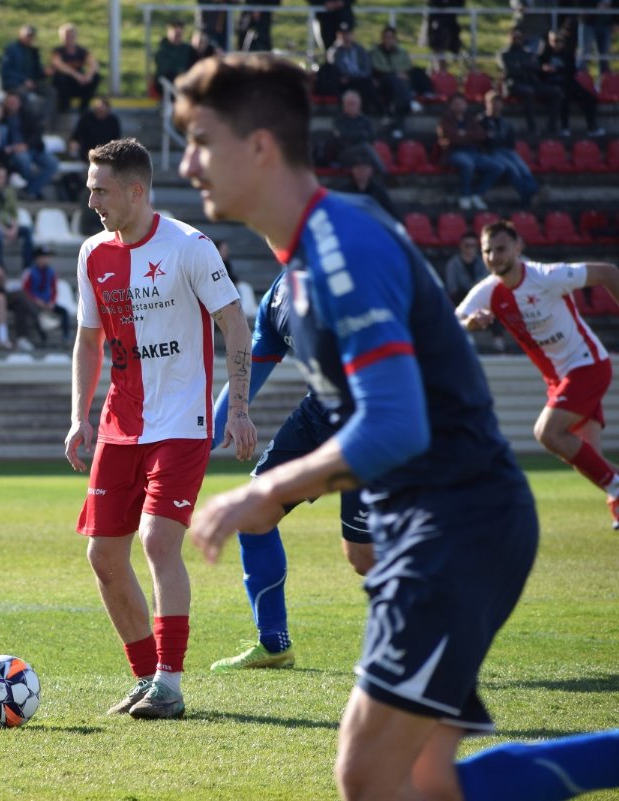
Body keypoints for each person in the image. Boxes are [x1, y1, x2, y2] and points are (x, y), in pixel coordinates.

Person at [176, 51, 619, 801]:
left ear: (259, 146)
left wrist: (265, 490)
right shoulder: (311, 255)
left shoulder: (341, 251)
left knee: (371, 778)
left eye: (200, 141)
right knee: (417, 783)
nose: (187, 164)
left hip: (455, 522)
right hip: (437, 522)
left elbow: (396, 425)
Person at [64, 137, 255, 721]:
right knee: (103, 555)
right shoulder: (92, 253)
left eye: (101, 190)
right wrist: (79, 415)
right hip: (120, 424)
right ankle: (146, 677)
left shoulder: (189, 247)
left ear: (136, 190)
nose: (92, 201)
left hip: (180, 422)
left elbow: (234, 323)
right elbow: (89, 340)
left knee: (156, 541)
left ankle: (170, 683)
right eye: (90, 189)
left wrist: (238, 408)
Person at [208, 267, 375, 672]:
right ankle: (273, 644)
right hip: (319, 415)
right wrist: (206, 435)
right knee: (253, 514)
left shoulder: (352, 276)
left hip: (372, 422)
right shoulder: (278, 295)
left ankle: (439, 631)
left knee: (363, 557)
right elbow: (256, 362)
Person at [458, 220, 619, 528]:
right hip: (560, 379)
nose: (493, 257)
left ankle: (617, 489)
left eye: (501, 249)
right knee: (588, 459)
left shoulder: (546, 276)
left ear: (518, 248)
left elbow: (608, 272)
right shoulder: (488, 291)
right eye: (487, 251)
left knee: (547, 433)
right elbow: (453, 320)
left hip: (588, 365)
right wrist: (470, 323)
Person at [437, 92, 504, 211]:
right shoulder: (445, 121)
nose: (459, 106)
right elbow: (452, 138)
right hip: (454, 152)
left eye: (461, 103)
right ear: (451, 105)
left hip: (474, 152)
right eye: (456, 104)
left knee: (497, 167)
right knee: (467, 164)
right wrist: (470, 136)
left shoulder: (471, 119)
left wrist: (464, 134)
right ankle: (465, 195)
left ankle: (477, 194)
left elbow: (482, 135)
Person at [538, 29, 605, 136]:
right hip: (553, 84)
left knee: (589, 98)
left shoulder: (567, 54)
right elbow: (539, 74)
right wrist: (544, 69)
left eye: (561, 41)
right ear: (550, 41)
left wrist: (557, 70)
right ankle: (564, 127)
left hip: (568, 83)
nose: (558, 44)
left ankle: (592, 126)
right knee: (563, 97)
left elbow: (571, 71)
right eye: (555, 41)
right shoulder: (543, 56)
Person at [480, 89, 540, 207]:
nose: (496, 106)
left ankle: (534, 192)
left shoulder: (505, 123)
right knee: (513, 169)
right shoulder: (482, 121)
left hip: (507, 150)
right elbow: (485, 141)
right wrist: (493, 139)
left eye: (498, 103)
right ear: (487, 104)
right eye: (493, 103)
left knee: (523, 168)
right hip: (491, 152)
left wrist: (495, 138)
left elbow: (509, 141)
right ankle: (528, 196)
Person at [499, 25, 562, 135]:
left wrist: (523, 66)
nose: (517, 40)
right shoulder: (504, 54)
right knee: (529, 92)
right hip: (514, 84)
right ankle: (532, 128)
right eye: (515, 37)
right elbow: (511, 71)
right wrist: (527, 67)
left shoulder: (528, 53)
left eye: (519, 37)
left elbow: (536, 68)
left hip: (530, 82)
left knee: (556, 92)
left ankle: (552, 127)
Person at [2, 92, 59, 201]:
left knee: (52, 163)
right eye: (9, 102)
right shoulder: (2, 117)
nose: (12, 104)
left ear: (19, 103)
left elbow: (37, 133)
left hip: (33, 148)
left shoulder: (28, 114)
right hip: (13, 150)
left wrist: (26, 145)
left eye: (14, 102)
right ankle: (32, 190)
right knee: (24, 160)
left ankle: (30, 190)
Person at [369, 26, 415, 139]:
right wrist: (395, 73)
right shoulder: (375, 52)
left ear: (395, 39)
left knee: (399, 88)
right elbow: (378, 68)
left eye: (391, 37)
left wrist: (398, 74)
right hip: (382, 82)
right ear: (382, 38)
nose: (388, 40)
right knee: (395, 80)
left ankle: (396, 125)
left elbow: (407, 67)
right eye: (386, 37)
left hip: (399, 85)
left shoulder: (402, 52)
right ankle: (410, 102)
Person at [0, 24, 55, 117]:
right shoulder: (11, 49)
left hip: (32, 84)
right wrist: (24, 80)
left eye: (31, 36)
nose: (29, 38)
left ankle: (44, 121)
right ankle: (27, 122)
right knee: (24, 97)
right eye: (27, 36)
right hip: (14, 84)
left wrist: (45, 73)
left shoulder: (33, 52)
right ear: (20, 35)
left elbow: (37, 72)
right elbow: (6, 71)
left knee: (51, 92)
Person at [327, 23, 380, 117]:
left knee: (367, 83)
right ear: (338, 35)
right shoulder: (334, 51)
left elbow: (366, 67)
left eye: (348, 34)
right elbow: (336, 67)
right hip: (345, 81)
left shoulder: (360, 49)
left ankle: (376, 112)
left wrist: (360, 76)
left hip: (361, 78)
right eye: (343, 34)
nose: (346, 37)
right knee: (363, 84)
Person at [22, 245, 70, 345]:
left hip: (47, 303)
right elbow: (26, 290)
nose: (46, 259)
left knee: (64, 312)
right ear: (37, 259)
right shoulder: (30, 272)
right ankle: (43, 339)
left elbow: (54, 289)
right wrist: (36, 301)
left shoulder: (51, 272)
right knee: (35, 314)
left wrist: (52, 302)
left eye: (47, 257)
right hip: (35, 303)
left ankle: (66, 338)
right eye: (43, 257)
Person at [50, 23, 100, 115]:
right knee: (60, 78)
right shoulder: (58, 51)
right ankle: (65, 106)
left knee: (96, 77)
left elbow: (94, 64)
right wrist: (76, 75)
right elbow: (59, 65)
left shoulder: (81, 51)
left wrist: (88, 76)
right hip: (65, 86)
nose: (69, 38)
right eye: (66, 36)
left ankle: (84, 106)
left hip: (79, 83)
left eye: (71, 36)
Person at [330, 89, 385, 172]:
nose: (352, 106)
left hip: (363, 153)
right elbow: (342, 138)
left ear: (359, 105)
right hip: (345, 153)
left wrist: (356, 136)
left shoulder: (365, 120)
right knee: (365, 147)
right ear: (344, 105)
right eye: (349, 104)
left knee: (364, 160)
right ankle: (385, 173)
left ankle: (375, 177)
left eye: (354, 104)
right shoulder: (339, 120)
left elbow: (372, 137)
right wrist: (362, 135)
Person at [340, 150, 400, 221]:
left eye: (364, 168)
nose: (361, 171)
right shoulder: (344, 191)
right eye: (358, 168)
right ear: (352, 170)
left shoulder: (379, 192)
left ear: (371, 171)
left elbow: (392, 213)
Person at [68, 97, 122, 163]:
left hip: (107, 156)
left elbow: (116, 139)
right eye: (99, 110)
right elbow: (76, 136)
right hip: (87, 155)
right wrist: (74, 144)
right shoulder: (86, 119)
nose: (100, 112)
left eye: (103, 111)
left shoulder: (113, 121)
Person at [442, 230, 488, 306]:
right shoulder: (453, 264)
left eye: (473, 246)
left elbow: (486, 283)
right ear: (461, 246)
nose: (470, 249)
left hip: (481, 301)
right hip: (460, 302)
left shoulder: (483, 262)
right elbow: (452, 289)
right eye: (467, 246)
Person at [155, 20, 195, 89]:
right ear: (168, 33)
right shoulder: (162, 50)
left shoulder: (187, 49)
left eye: (179, 35)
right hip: (166, 82)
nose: (176, 37)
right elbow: (164, 70)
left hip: (185, 81)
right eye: (175, 34)